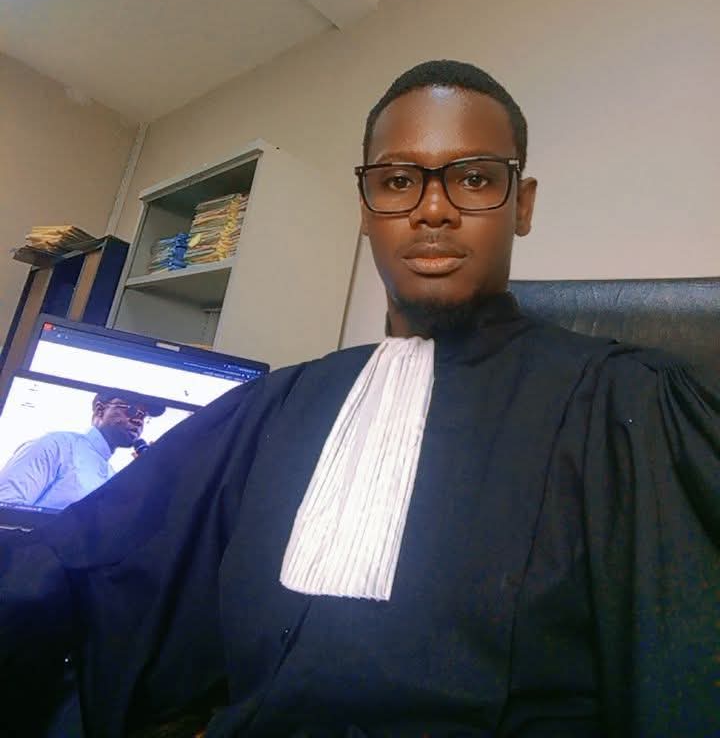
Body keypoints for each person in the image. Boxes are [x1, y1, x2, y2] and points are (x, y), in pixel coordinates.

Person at [0, 60, 718, 738]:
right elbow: (83, 561)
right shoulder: (278, 405)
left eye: (472, 178)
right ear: (367, 210)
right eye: (398, 180)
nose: (432, 209)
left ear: (521, 205)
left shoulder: (628, 407)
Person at [0, 389, 166, 510]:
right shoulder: (56, 446)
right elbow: (6, 507)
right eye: (131, 410)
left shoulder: (111, 475)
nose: (138, 420)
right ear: (100, 410)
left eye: (143, 416)